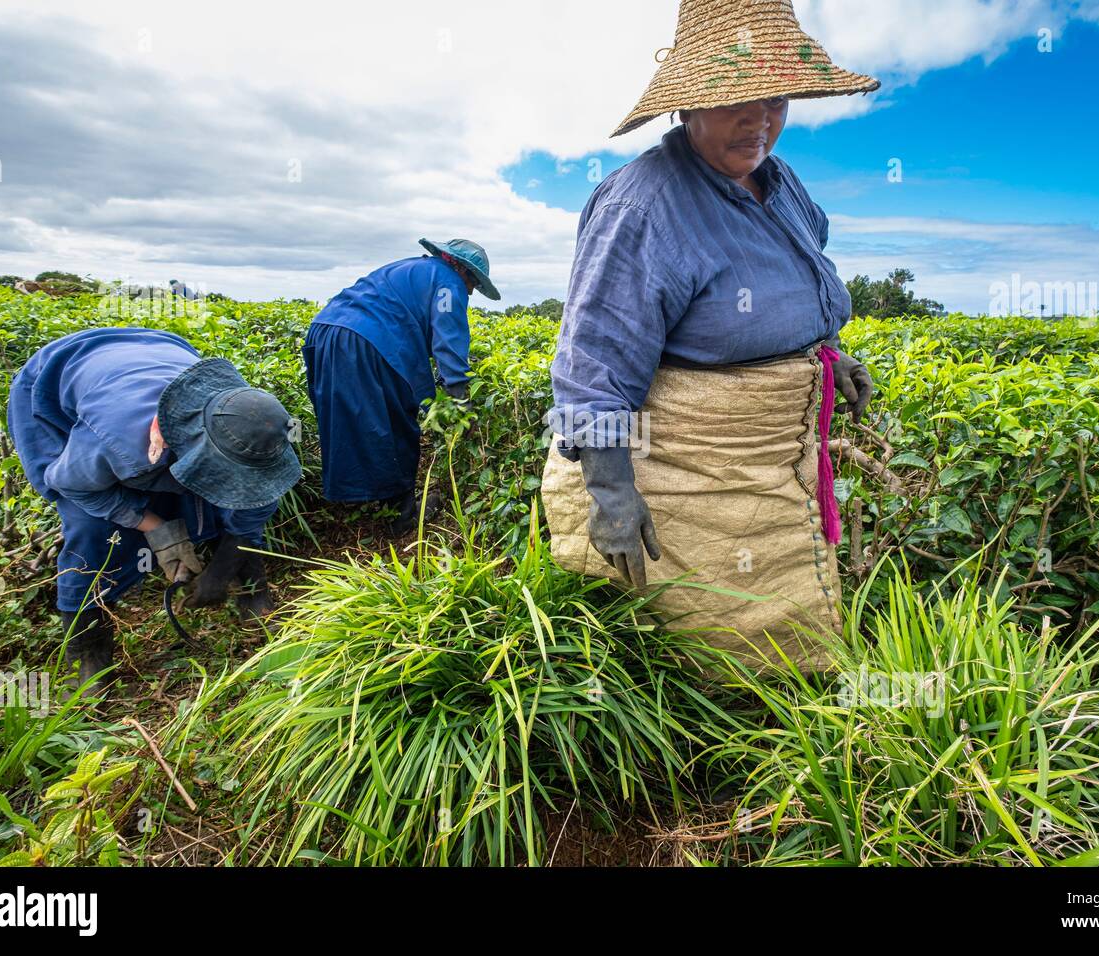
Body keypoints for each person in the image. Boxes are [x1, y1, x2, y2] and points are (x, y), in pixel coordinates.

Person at [542, 0, 878, 670]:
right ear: (686, 107)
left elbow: (798, 291)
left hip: (777, 458)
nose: (760, 121)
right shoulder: (642, 206)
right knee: (701, 637)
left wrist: (831, 359)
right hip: (694, 465)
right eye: (737, 102)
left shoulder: (781, 185)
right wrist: (610, 494)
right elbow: (594, 362)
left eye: (776, 98)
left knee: (794, 597)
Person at [7, 327, 302, 690]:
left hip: (159, 349)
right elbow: (74, 487)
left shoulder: (258, 426)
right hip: (57, 377)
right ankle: (88, 647)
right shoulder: (117, 444)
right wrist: (155, 527)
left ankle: (253, 593)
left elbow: (256, 501)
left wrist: (223, 567)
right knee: (91, 530)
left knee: (232, 496)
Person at [302, 239, 500, 534]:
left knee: (350, 419)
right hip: (366, 340)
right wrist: (460, 397)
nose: (471, 290)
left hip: (325, 333)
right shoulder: (449, 282)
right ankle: (404, 514)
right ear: (460, 268)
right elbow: (448, 340)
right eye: (472, 281)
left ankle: (361, 499)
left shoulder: (410, 268)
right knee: (397, 422)